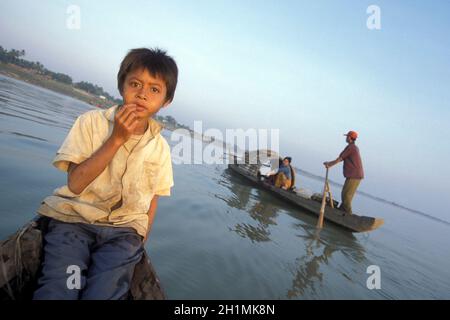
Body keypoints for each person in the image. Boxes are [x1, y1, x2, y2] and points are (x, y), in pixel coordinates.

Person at [33, 48, 178, 299]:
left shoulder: (161, 147)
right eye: (135, 84)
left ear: (166, 101)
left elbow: (152, 199)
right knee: (62, 287)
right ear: (122, 85)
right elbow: (76, 185)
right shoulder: (90, 122)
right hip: (74, 220)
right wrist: (116, 139)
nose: (142, 94)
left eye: (154, 89)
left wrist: (141, 240)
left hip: (124, 231)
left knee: (104, 292)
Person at [323, 131, 364, 214]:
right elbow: (340, 158)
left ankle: (349, 215)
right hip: (354, 175)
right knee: (345, 194)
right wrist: (329, 163)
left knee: (346, 196)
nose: (346, 138)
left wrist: (330, 164)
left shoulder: (351, 148)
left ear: (349, 137)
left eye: (347, 136)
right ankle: (342, 211)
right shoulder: (352, 147)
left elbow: (340, 159)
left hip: (355, 176)